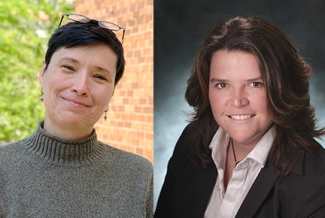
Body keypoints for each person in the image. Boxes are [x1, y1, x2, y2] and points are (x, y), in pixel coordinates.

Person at [155, 16, 325, 218]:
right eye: (222, 85)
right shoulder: (192, 140)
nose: (237, 101)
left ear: (282, 88)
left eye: (255, 84)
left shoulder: (317, 181)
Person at [0, 14, 153, 217]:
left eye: (99, 76)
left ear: (113, 90)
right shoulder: (4, 169)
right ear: (43, 73)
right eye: (68, 68)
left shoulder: (139, 175)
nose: (81, 87)